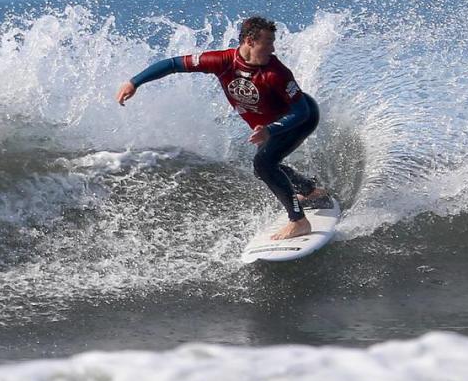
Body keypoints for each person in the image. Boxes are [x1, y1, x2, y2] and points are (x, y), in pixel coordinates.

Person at [116, 16, 326, 240]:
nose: (273, 48)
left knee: (264, 163)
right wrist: (134, 82)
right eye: (268, 42)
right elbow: (173, 65)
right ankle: (311, 192)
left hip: (300, 118)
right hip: (272, 126)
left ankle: (299, 222)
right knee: (263, 169)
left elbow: (301, 112)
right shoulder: (222, 61)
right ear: (249, 41)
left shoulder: (277, 73)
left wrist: (270, 131)